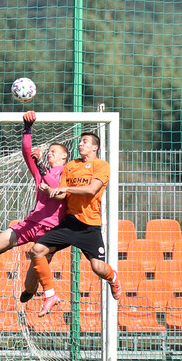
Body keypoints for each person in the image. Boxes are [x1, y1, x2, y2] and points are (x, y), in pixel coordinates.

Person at [23, 131, 121, 316]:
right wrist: (52, 190)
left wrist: (65, 188)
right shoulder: (71, 166)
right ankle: (50, 295)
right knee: (37, 251)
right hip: (70, 222)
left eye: (85, 142)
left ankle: (113, 277)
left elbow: (92, 190)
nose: (81, 144)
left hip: (89, 226)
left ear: (95, 147)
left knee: (98, 268)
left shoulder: (102, 166)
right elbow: (61, 194)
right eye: (81, 142)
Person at [0, 111, 68, 303]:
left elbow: (54, 185)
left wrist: (42, 165)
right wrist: (27, 129)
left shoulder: (68, 174)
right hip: (30, 224)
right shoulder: (41, 171)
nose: (50, 153)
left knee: (29, 284)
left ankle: (30, 291)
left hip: (49, 232)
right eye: (49, 151)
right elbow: (27, 153)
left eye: (55, 152)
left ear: (64, 158)